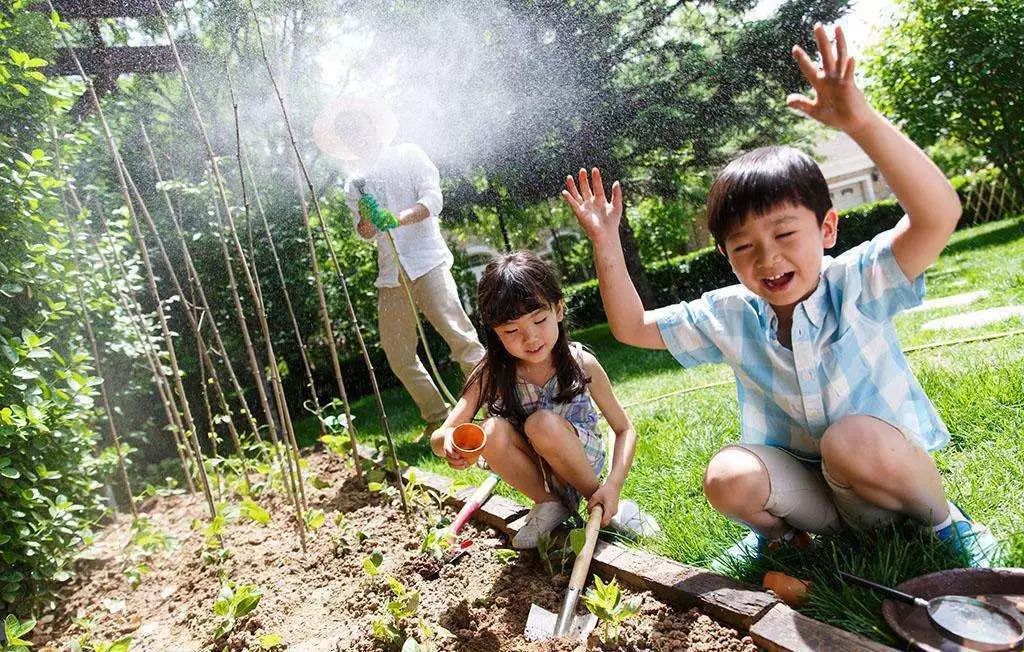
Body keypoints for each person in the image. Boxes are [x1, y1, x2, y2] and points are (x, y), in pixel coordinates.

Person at [561, 24, 999, 567]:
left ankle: (946, 524)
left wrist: (860, 122)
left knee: (849, 439)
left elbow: (939, 215)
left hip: (881, 478)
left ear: (828, 229)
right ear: (724, 254)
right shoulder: (730, 314)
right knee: (726, 477)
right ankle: (797, 539)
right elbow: (631, 328)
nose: (768, 260)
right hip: (813, 496)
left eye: (786, 234)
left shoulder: (857, 282)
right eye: (744, 246)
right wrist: (606, 241)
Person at [429, 251, 659, 549]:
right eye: (511, 331)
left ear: (559, 309)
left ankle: (601, 502)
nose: (531, 338)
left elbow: (624, 429)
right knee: (492, 430)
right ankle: (550, 504)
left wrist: (612, 485)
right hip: (536, 468)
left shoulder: (581, 364)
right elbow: (439, 436)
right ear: (495, 333)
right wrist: (448, 443)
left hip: (579, 459)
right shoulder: (491, 372)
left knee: (541, 424)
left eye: (539, 320)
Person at [314, 98, 485, 437]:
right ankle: (437, 416)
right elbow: (363, 234)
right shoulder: (354, 184)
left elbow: (434, 200)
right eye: (346, 132)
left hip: (427, 261)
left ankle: (492, 405)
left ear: (372, 126)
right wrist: (366, 217)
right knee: (397, 353)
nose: (353, 135)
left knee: (460, 337)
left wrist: (398, 218)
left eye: (356, 127)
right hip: (390, 275)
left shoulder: (409, 154)